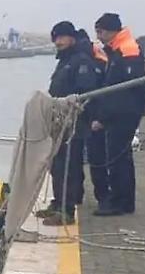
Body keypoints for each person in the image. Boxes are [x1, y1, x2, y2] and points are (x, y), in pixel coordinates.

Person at [37, 20, 101, 225]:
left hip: (73, 124)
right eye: (55, 38)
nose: (58, 42)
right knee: (57, 165)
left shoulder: (81, 61)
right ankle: (58, 203)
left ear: (72, 38)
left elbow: (86, 92)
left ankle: (66, 210)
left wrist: (73, 109)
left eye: (62, 37)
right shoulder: (65, 60)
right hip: (60, 122)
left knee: (69, 166)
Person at [90, 12, 145, 216]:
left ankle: (119, 202)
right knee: (120, 157)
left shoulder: (127, 50)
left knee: (117, 158)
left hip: (124, 113)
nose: (98, 36)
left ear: (112, 30)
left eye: (100, 31)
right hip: (123, 111)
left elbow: (123, 89)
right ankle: (124, 201)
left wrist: (103, 117)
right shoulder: (117, 50)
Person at [76, 28, 110, 205]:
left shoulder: (79, 59)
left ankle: (76, 196)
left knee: (76, 160)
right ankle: (103, 198)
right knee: (98, 161)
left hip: (82, 116)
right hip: (95, 116)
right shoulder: (101, 58)